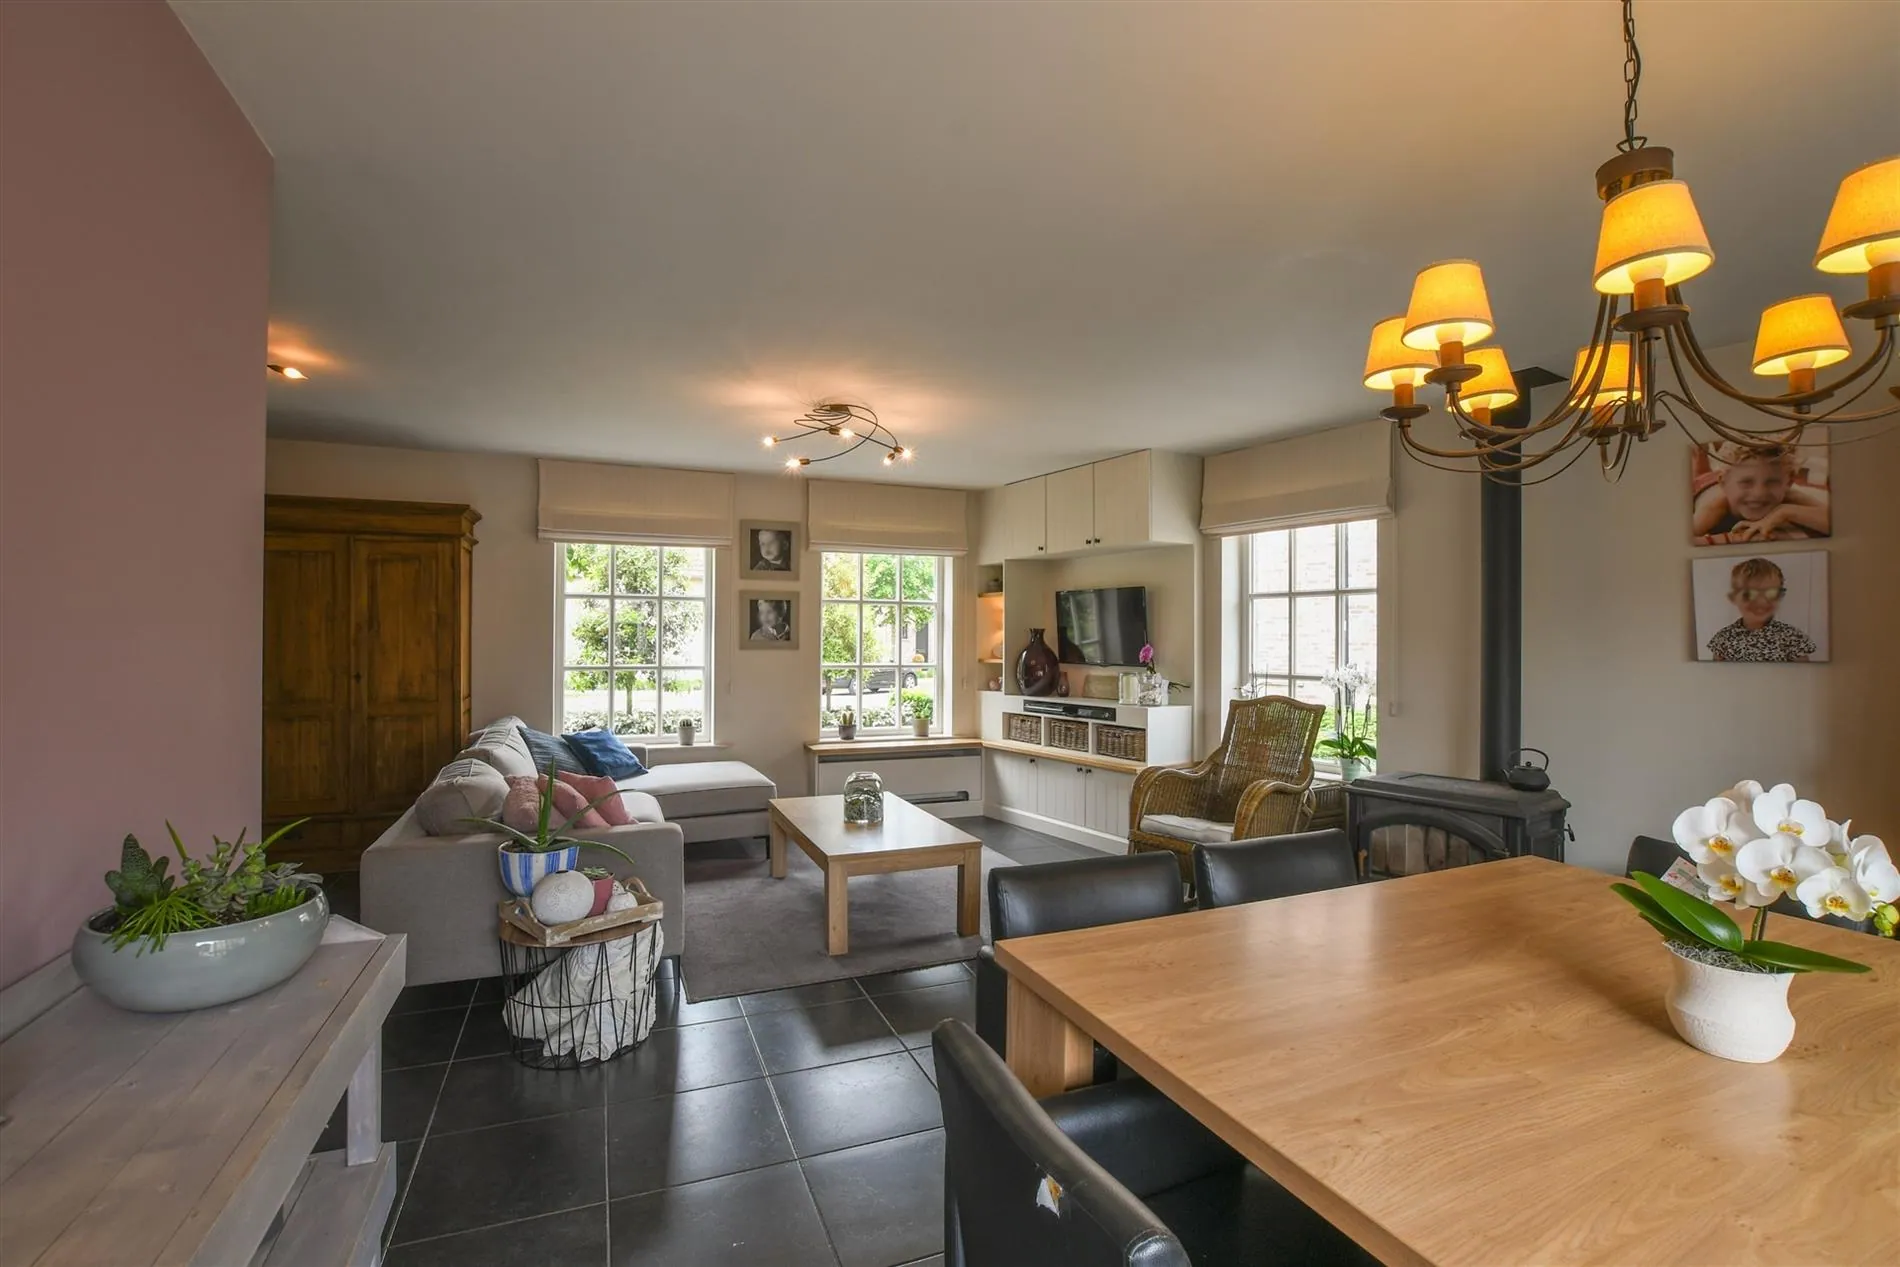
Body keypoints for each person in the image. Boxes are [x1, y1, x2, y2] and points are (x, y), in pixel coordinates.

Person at [1692, 444, 1830, 545]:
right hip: (1705, 485)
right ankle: (1701, 460)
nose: (1759, 493)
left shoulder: (1790, 497)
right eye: (1746, 483)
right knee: (1701, 475)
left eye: (1772, 482)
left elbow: (1835, 523)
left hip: (1729, 478)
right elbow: (1684, 543)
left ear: (1789, 482)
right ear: (1723, 483)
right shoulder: (1715, 508)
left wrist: (1784, 512)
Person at [1706, 557, 1816, 662]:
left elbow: (1805, 673)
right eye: (1749, 594)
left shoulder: (1792, 637)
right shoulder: (1723, 639)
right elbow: (1715, 673)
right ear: (1733, 598)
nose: (1761, 602)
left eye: (1771, 593)